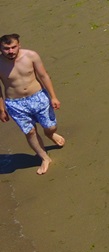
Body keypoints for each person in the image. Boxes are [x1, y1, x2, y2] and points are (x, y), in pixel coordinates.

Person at [0, 34, 65, 175]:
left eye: (13, 47)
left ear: (19, 45)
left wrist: (53, 97)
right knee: (29, 131)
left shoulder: (31, 56)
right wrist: (1, 109)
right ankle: (44, 158)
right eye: (6, 48)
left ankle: (51, 134)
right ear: (1, 49)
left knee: (50, 127)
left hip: (38, 97)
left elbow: (43, 76)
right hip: (15, 103)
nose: (10, 51)